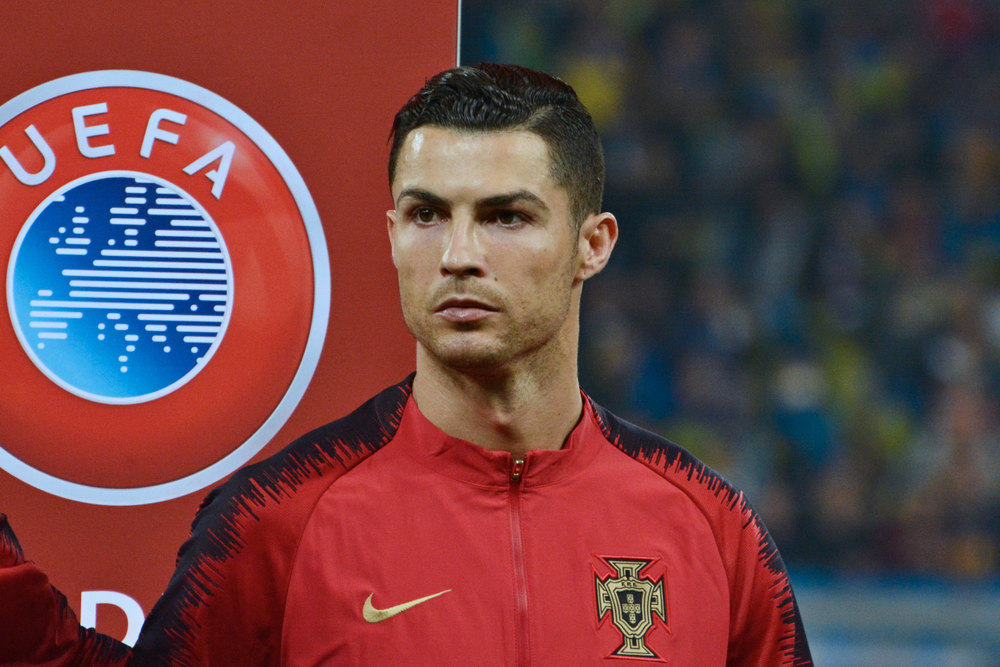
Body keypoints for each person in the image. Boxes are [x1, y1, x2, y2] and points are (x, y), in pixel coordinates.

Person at [0, 63, 813, 666]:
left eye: (505, 217)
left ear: (591, 245)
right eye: (428, 214)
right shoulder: (275, 522)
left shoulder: (714, 530)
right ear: (392, 235)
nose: (459, 255)